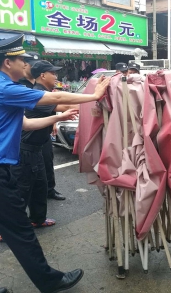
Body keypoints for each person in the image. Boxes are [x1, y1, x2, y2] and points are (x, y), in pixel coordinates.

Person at [0, 34, 110, 293]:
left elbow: (25, 124)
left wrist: (58, 118)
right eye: (22, 61)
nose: (26, 65)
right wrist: (94, 95)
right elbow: (49, 99)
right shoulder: (5, 87)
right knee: (20, 229)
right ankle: (49, 282)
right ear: (7, 62)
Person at [18, 53, 65, 201]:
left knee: (46, 164)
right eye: (53, 73)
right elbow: (60, 104)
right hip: (28, 139)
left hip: (39, 135)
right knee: (27, 182)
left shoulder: (39, 87)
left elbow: (52, 107)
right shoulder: (22, 86)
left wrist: (54, 122)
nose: (56, 76)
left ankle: (48, 192)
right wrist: (94, 97)